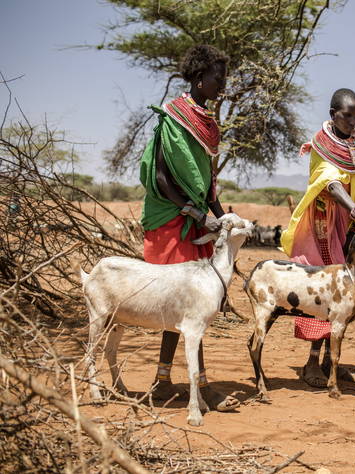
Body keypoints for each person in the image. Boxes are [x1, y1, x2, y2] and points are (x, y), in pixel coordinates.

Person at [139, 44, 239, 411]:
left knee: (189, 306)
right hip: (171, 219)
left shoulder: (206, 124)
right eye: (218, 78)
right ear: (200, 79)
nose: (222, 85)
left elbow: (208, 183)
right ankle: (196, 385)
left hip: (196, 219)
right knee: (182, 304)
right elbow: (163, 176)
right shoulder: (173, 118)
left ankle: (163, 380)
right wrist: (198, 216)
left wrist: (222, 218)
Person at [280, 88, 355, 387]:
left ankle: (330, 361)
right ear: (332, 114)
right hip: (323, 225)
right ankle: (311, 362)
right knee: (323, 292)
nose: (352, 121)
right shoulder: (322, 145)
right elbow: (332, 184)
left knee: (344, 294)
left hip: (346, 226)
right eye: (346, 115)